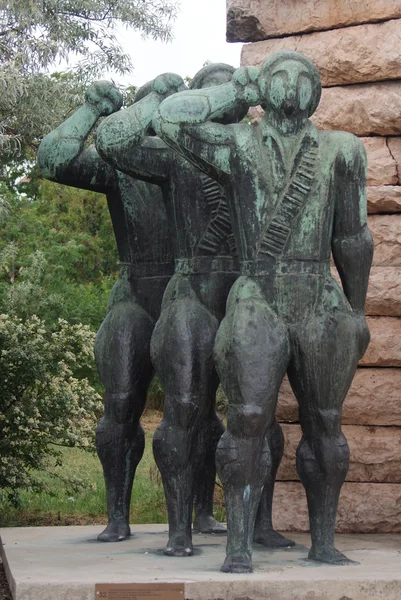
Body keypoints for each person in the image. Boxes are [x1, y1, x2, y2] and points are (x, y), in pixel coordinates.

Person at [153, 51, 373, 572]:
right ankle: (239, 546)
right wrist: (237, 90)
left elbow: (352, 236)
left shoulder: (344, 150)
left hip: (318, 294)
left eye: (305, 77)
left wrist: (359, 309)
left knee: (326, 422)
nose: (293, 86)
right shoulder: (235, 144)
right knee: (248, 418)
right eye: (280, 75)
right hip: (258, 293)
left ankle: (323, 542)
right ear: (262, 86)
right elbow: (169, 118)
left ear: (316, 92)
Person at [96, 64, 293, 557]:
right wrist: (168, 96)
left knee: (261, 416)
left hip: (248, 289)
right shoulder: (177, 149)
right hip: (194, 293)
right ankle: (178, 531)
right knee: (183, 408)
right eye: (211, 90)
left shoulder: (258, 149)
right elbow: (116, 142)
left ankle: (258, 525)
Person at [37, 80, 223, 544]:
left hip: (201, 294)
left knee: (201, 407)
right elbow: (53, 160)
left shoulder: (216, 162)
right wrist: (93, 108)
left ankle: (203, 511)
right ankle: (118, 514)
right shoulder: (127, 159)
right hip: (139, 290)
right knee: (121, 401)